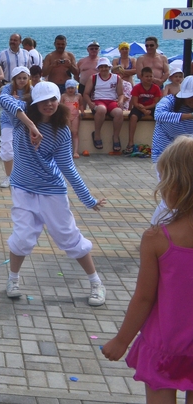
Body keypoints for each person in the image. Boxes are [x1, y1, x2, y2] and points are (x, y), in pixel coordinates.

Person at [0, 81, 108, 306]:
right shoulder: (20, 120)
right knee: (22, 237)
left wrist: (88, 199)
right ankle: (13, 280)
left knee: (69, 237)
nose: (49, 104)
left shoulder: (62, 130)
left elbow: (68, 167)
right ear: (34, 103)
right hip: (23, 188)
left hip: (52, 190)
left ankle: (96, 282)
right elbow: (3, 98)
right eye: (43, 101)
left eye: (53, 100)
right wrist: (31, 125)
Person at [102, 136, 193, 401]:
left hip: (165, 343)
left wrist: (122, 340)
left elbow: (144, 297)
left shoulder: (157, 239)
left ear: (174, 185)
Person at [149, 76, 193, 225]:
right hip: (164, 157)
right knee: (169, 197)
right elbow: (158, 115)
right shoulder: (169, 101)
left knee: (185, 197)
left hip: (187, 157)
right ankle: (155, 230)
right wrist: (189, 116)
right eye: (190, 96)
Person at [84, 57, 125, 153]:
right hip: (98, 100)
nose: (104, 69)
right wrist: (90, 103)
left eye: (106, 66)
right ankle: (97, 134)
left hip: (111, 101)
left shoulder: (116, 78)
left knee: (119, 112)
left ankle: (116, 137)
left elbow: (121, 94)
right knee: (101, 110)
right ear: (98, 68)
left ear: (109, 67)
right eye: (101, 67)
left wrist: (121, 101)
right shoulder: (93, 78)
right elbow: (86, 93)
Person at [0, 66, 30, 188]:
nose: (22, 80)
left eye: (24, 78)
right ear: (14, 79)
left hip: (24, 123)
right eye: (19, 78)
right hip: (8, 121)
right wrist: (12, 99)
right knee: (7, 149)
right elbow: (1, 102)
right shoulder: (7, 88)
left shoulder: (31, 90)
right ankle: (9, 176)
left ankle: (23, 176)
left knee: (25, 150)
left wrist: (15, 101)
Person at [127, 67, 161, 154]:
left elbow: (156, 103)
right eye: (147, 76)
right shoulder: (137, 87)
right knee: (133, 117)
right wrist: (143, 110)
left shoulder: (156, 88)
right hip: (139, 107)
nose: (149, 78)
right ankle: (130, 142)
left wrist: (146, 109)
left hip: (151, 107)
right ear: (141, 77)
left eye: (151, 76)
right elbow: (135, 103)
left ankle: (159, 142)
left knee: (160, 117)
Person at [60, 79, 83, 158]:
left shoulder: (78, 96)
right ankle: (67, 151)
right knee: (66, 133)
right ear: (66, 88)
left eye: (72, 88)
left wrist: (82, 112)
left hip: (75, 116)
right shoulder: (63, 96)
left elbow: (81, 105)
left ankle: (75, 151)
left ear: (75, 88)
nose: (70, 90)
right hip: (66, 116)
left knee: (75, 133)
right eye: (68, 88)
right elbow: (61, 106)